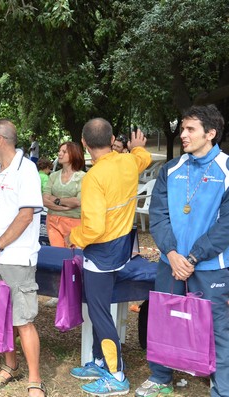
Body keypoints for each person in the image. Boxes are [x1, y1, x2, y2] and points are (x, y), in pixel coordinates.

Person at [135, 105, 229, 397]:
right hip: (170, 262)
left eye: (190, 129)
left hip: (211, 265)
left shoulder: (226, 169)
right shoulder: (171, 169)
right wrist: (173, 254)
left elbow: (226, 225)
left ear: (210, 133)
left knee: (217, 329)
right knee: (164, 321)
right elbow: (159, 216)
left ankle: (222, 387)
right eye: (182, 128)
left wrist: (192, 257)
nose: (183, 134)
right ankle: (161, 377)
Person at [68, 119, 150, 396]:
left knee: (100, 313)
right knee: (99, 308)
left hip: (101, 253)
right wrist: (138, 147)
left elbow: (93, 228)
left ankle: (116, 376)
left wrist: (74, 238)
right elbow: (143, 157)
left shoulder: (94, 178)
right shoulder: (128, 161)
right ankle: (100, 361)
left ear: (84, 143)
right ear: (113, 138)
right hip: (122, 247)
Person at [0, 119, 46, 397]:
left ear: (1, 140)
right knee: (1, 317)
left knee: (22, 320)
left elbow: (26, 215)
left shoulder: (26, 169)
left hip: (16, 258)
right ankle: (10, 366)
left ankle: (35, 379)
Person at [43, 142, 85, 248]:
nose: (59, 154)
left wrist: (56, 200)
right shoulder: (53, 176)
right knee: (57, 256)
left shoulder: (83, 177)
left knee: (72, 259)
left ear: (74, 154)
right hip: (52, 222)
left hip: (74, 223)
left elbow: (78, 201)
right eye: (59, 151)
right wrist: (66, 206)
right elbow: (44, 199)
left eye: (64, 151)